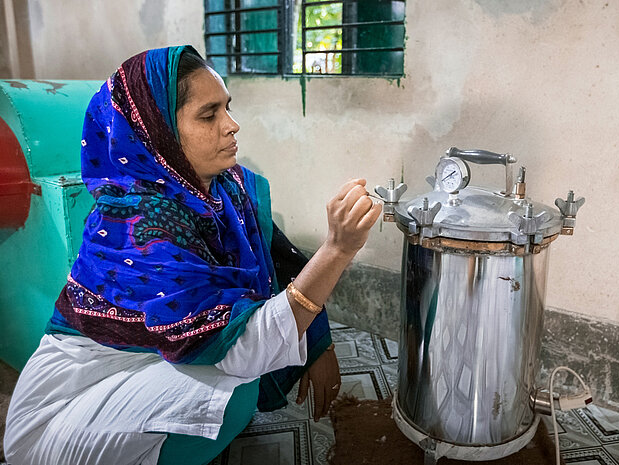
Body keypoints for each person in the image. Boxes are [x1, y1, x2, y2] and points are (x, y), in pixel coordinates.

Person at [3, 45, 381, 465]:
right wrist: (338, 249)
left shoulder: (224, 188)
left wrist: (319, 345)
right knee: (233, 383)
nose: (232, 126)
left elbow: (280, 260)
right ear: (157, 132)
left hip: (143, 363)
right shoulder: (137, 227)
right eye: (209, 115)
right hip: (66, 408)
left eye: (227, 108)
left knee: (230, 378)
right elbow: (245, 348)